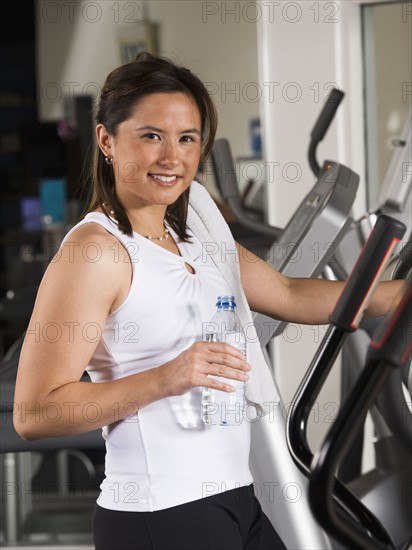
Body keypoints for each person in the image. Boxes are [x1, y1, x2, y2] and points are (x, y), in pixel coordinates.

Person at [14, 52, 402, 550]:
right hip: (159, 513)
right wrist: (166, 377)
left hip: (233, 497)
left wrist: (401, 295)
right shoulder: (97, 252)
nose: (172, 158)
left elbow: (287, 293)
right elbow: (35, 412)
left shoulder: (195, 227)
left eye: (187, 138)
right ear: (106, 140)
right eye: (151, 136)